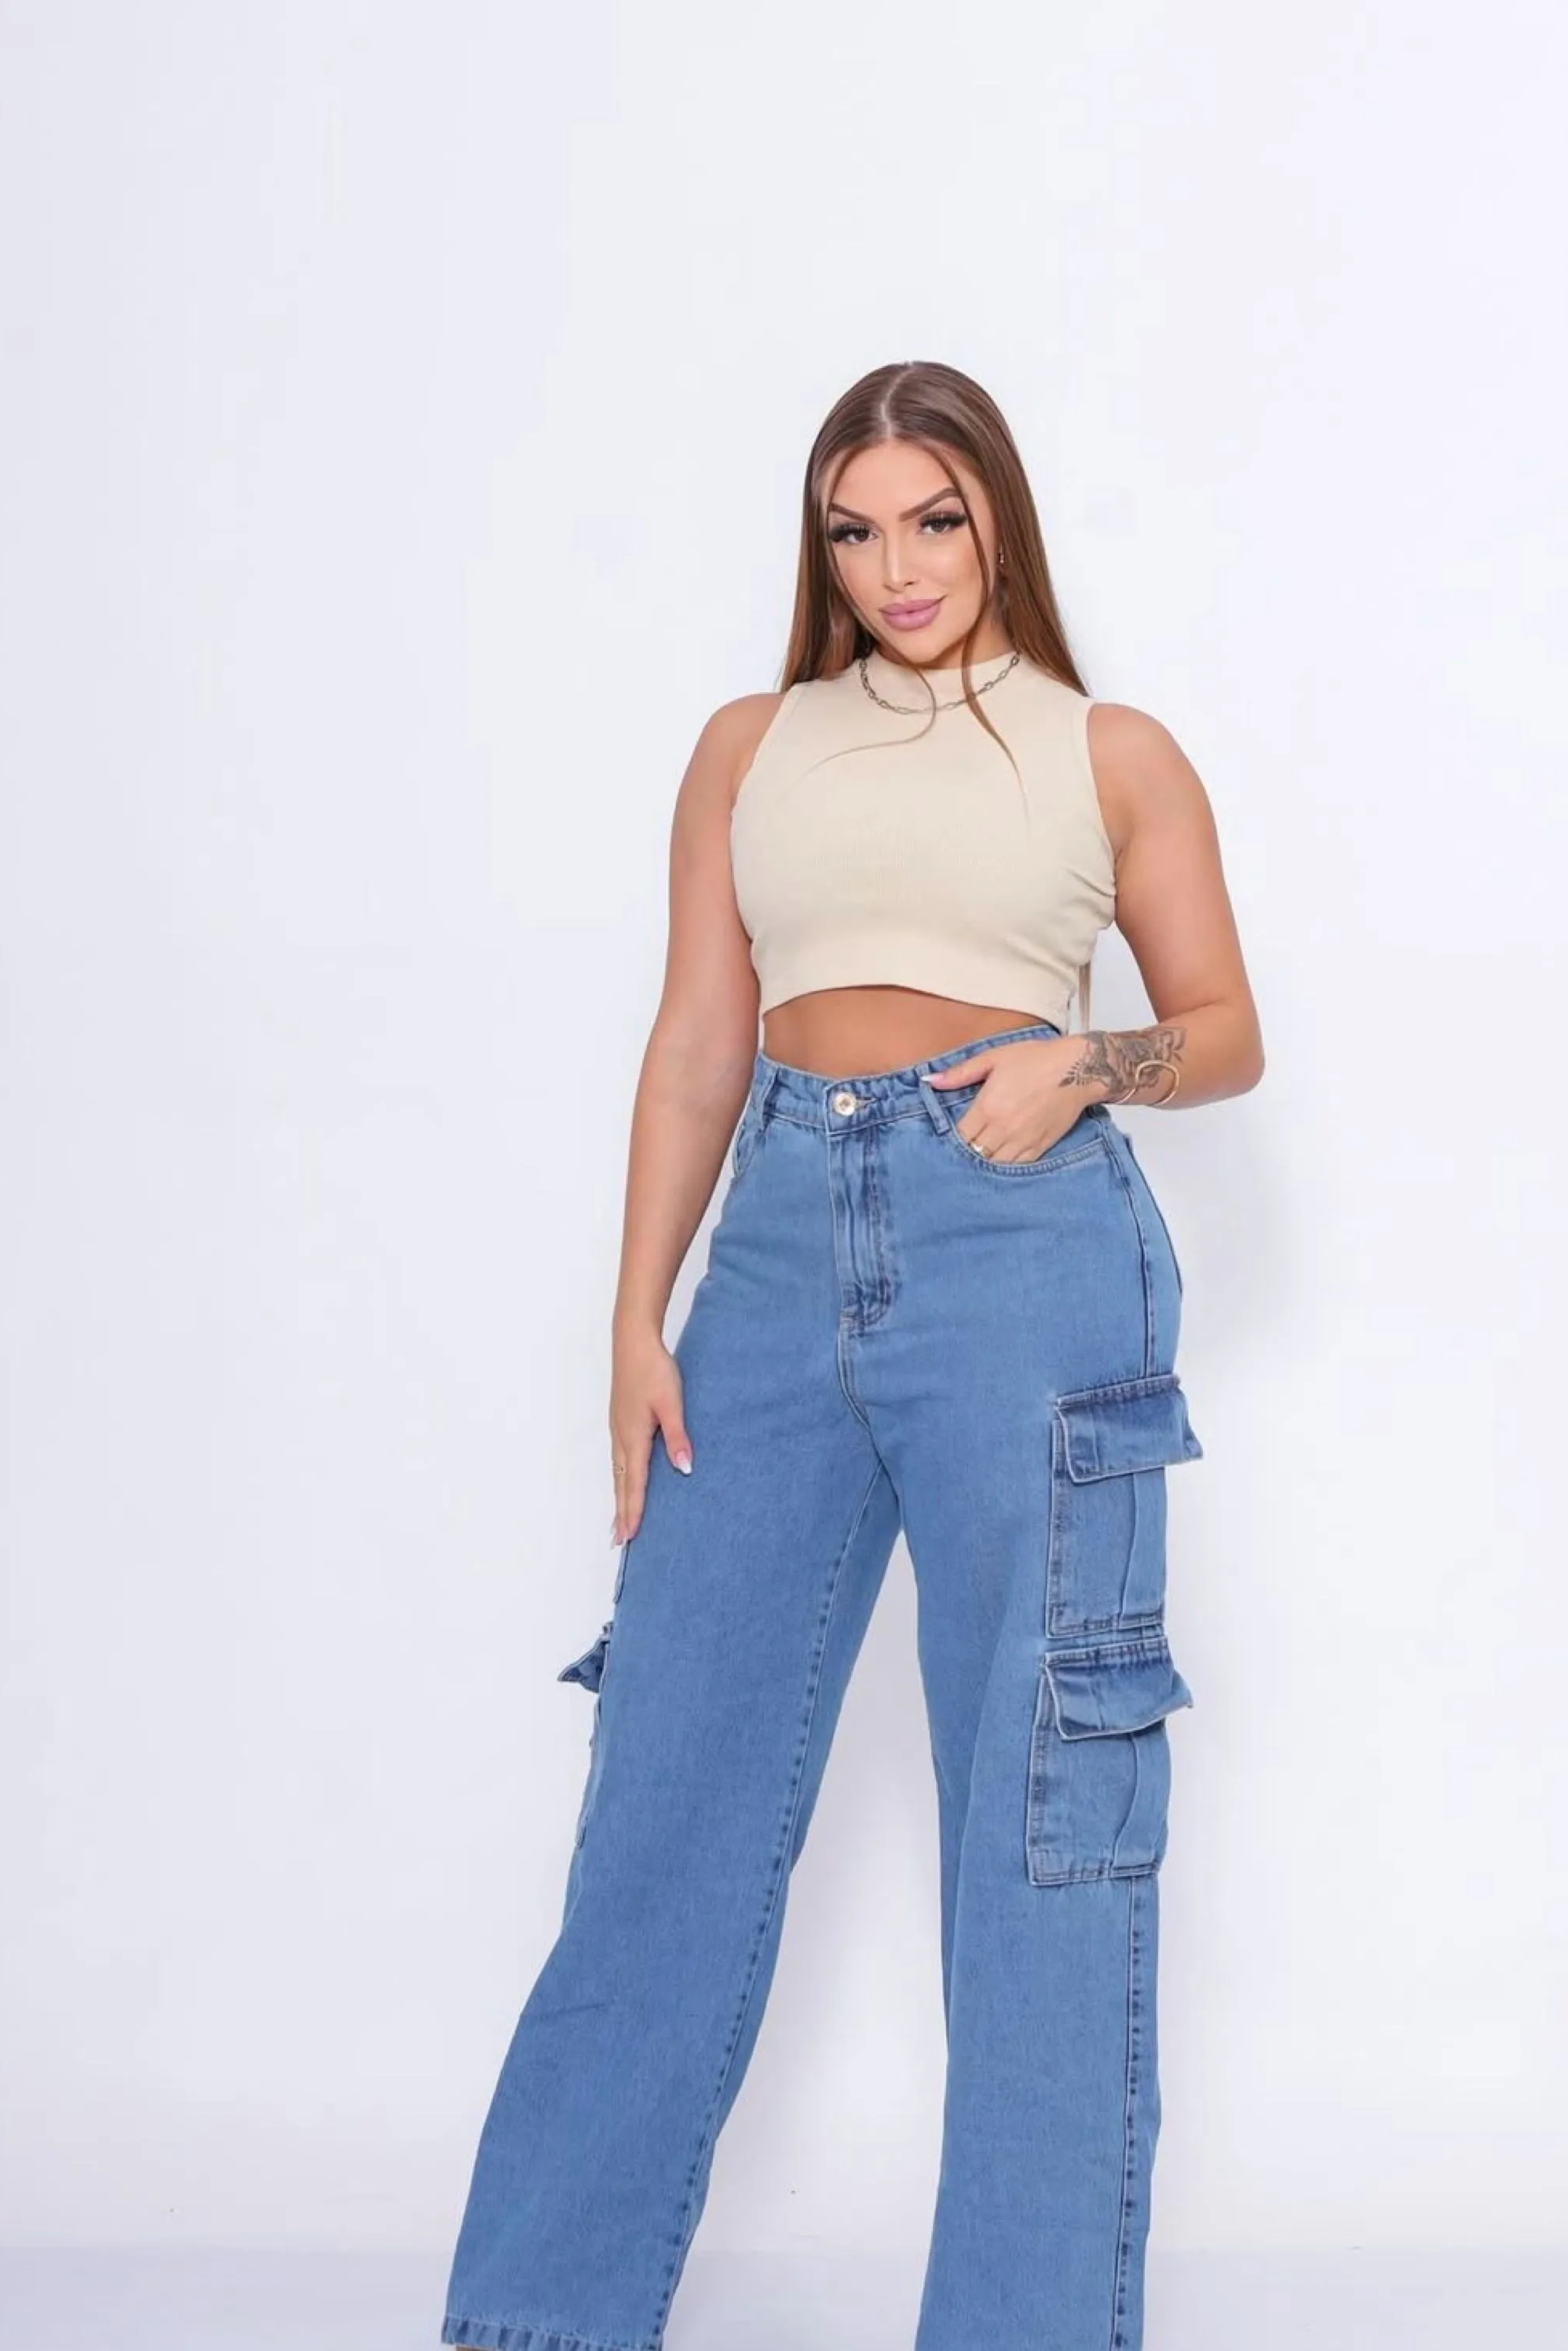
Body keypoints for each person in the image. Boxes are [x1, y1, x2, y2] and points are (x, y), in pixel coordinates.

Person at [440, 358, 1264, 2351]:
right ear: (820, 549)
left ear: (999, 523)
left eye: (935, 521)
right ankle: (536, 2323)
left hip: (1026, 1249)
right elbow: (697, 1043)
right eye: (856, 530)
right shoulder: (753, 746)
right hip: (772, 1256)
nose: (898, 566)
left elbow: (1227, 1031)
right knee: (668, 1806)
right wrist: (636, 1315)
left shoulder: (1107, 751)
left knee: (1041, 1820)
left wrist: (1087, 1062)